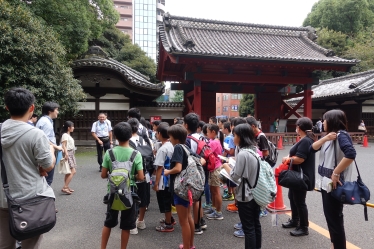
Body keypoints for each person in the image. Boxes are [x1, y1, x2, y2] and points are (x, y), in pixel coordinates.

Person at [0, 88, 55, 249]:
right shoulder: (35, 134)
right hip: (31, 198)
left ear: (7, 107)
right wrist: (51, 151)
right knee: (30, 244)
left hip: (2, 197)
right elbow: (48, 165)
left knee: (4, 243)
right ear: (32, 108)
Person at [311, 109, 355, 249]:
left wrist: (336, 173)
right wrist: (325, 138)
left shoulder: (341, 135)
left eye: (325, 119)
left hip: (335, 184)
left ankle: (338, 245)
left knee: (335, 220)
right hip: (327, 184)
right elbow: (312, 148)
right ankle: (334, 244)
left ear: (332, 120)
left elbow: (351, 154)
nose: (323, 122)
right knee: (331, 218)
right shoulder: (331, 136)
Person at [100, 122, 144, 249]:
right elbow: (141, 177)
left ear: (115, 136)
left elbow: (103, 175)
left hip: (112, 192)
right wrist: (131, 176)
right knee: (126, 225)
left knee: (108, 222)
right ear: (131, 135)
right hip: (129, 193)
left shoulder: (109, 153)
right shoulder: (136, 154)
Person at [222, 124, 261, 249]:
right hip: (256, 192)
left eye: (235, 135)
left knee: (248, 228)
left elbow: (234, 176)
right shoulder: (254, 150)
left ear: (241, 137)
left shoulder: (243, 154)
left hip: (246, 195)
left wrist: (225, 166)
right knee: (256, 225)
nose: (233, 138)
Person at [164, 124, 203, 249]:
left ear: (175, 137)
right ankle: (190, 245)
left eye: (170, 137)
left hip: (181, 188)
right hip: (190, 188)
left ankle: (186, 246)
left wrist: (167, 171)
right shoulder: (186, 147)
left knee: (183, 221)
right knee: (189, 217)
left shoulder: (178, 148)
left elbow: (178, 168)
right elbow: (202, 160)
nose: (169, 139)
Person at [281, 117, 316, 236]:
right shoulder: (305, 139)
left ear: (299, 128)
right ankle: (295, 220)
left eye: (296, 126)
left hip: (301, 175)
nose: (296, 128)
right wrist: (289, 157)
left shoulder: (306, 141)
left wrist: (288, 159)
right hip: (297, 174)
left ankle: (303, 227)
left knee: (300, 201)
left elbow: (300, 159)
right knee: (293, 197)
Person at [184, 113, 207, 235]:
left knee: (195, 198)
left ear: (186, 125)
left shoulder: (188, 139)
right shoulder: (203, 137)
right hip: (206, 167)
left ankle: (197, 225)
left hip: (195, 169)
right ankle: (201, 220)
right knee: (200, 195)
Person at [127, 118, 150, 235]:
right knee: (143, 198)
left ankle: (132, 225)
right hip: (145, 173)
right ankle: (141, 221)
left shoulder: (126, 141)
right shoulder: (144, 140)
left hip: (132, 174)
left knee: (132, 198)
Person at [153, 122, 175, 232]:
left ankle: (168, 224)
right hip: (170, 176)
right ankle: (170, 218)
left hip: (163, 179)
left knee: (164, 200)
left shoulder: (162, 149)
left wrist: (156, 183)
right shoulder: (171, 145)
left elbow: (159, 167)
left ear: (160, 133)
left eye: (157, 133)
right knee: (168, 199)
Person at [36, 101, 62, 185]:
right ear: (50, 111)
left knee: (45, 178)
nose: (57, 112)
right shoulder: (46, 123)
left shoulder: (44, 120)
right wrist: (56, 147)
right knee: (48, 179)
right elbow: (44, 140)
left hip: (44, 152)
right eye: (56, 110)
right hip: (46, 152)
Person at [204, 124, 224, 220]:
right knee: (213, 190)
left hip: (215, 168)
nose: (206, 134)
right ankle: (214, 208)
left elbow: (206, 154)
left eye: (208, 132)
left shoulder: (213, 143)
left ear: (213, 132)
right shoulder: (216, 141)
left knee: (216, 191)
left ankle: (218, 212)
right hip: (215, 167)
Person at [60, 121, 77, 195]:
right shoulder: (65, 135)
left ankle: (67, 186)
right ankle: (65, 187)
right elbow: (63, 145)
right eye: (72, 126)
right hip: (68, 153)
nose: (73, 128)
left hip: (71, 153)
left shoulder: (67, 135)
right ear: (68, 128)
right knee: (73, 171)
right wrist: (66, 154)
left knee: (69, 171)